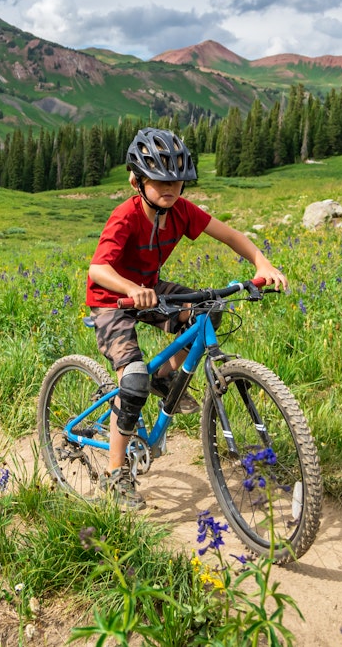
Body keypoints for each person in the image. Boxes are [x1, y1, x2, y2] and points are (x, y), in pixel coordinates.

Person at [86, 127, 287, 508]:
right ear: (136, 180)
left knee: (209, 311)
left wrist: (262, 262)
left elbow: (229, 236)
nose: (170, 189)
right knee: (132, 381)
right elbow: (98, 270)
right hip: (112, 299)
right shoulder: (124, 217)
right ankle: (115, 474)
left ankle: (165, 378)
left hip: (150, 287)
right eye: (159, 180)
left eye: (177, 181)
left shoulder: (181, 212)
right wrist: (129, 289)